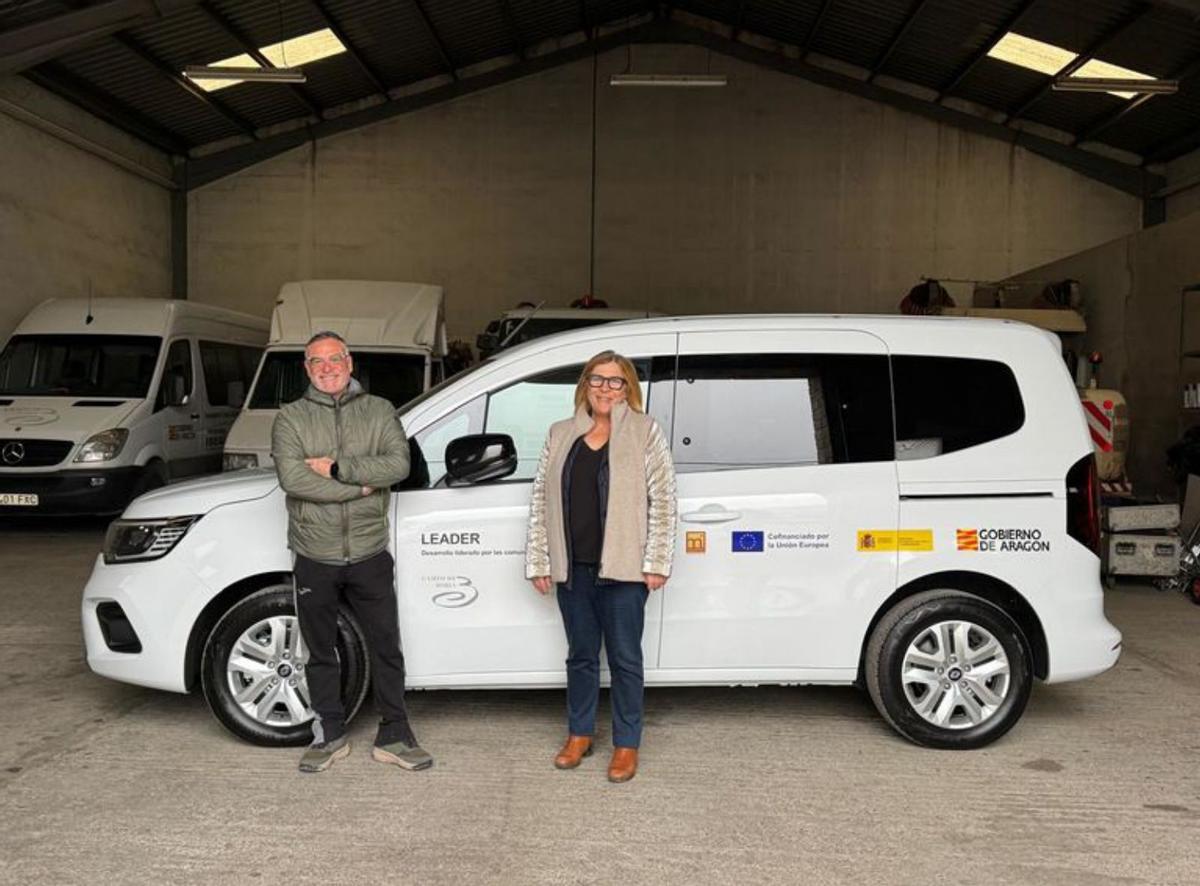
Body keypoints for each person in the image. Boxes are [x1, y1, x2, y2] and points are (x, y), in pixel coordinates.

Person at [271, 330, 431, 774]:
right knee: (320, 649)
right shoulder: (290, 418)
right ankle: (330, 732)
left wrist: (339, 469)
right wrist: (361, 487)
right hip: (314, 554)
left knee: (386, 646)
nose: (327, 368)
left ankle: (395, 734)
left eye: (334, 359)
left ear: (350, 362)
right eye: (316, 361)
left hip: (369, 551)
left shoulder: (379, 410)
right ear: (306, 369)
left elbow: (398, 465)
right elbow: (293, 479)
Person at [525, 351, 677, 783]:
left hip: (625, 571)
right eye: (597, 379)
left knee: (626, 659)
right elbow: (541, 500)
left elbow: (664, 499)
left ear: (628, 388)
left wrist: (657, 561)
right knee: (580, 656)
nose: (605, 388)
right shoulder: (560, 433)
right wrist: (539, 559)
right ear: (585, 385)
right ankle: (580, 734)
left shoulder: (646, 431)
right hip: (573, 568)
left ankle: (627, 744)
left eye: (615, 381)